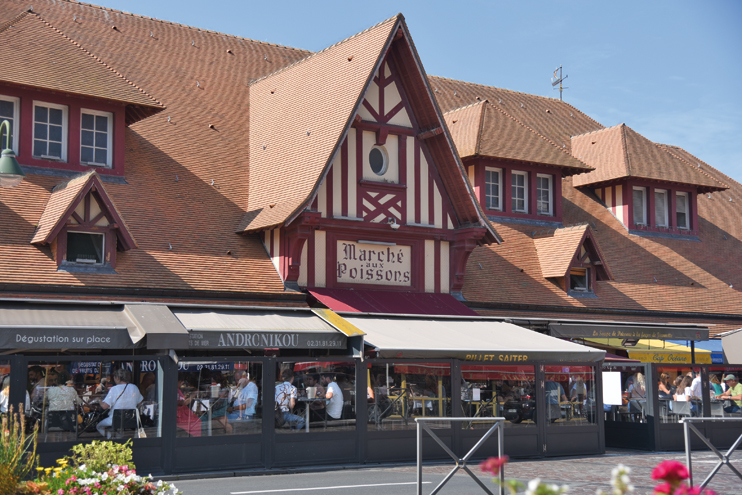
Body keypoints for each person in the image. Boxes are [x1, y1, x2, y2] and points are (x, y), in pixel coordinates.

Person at [97, 368, 143, 438]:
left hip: (116, 419)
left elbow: (104, 406)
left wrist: (98, 400)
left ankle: (110, 439)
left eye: (114, 377)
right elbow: (140, 404)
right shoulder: (134, 387)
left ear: (117, 378)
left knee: (99, 426)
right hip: (131, 420)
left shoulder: (114, 389)